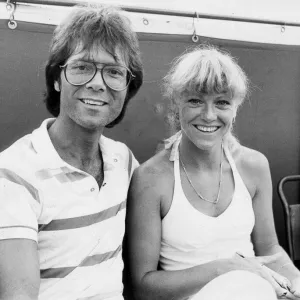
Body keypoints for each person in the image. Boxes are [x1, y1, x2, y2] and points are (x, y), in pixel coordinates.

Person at [125, 45, 300, 300]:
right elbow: (144, 287)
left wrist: (295, 280)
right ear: (176, 103)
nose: (209, 115)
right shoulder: (151, 178)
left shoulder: (254, 166)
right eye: (195, 100)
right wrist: (227, 267)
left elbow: (270, 249)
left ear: (235, 108)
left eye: (222, 103)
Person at [0, 4, 143, 300]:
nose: (97, 83)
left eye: (114, 72)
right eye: (82, 67)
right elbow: (19, 293)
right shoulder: (13, 174)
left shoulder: (124, 161)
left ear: (128, 87)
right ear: (56, 78)